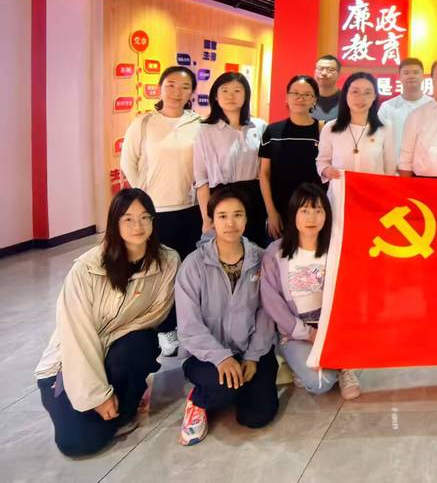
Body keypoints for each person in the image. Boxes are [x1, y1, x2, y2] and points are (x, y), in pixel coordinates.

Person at [36, 189, 179, 457]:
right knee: (77, 442)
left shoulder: (168, 261)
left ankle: (126, 400)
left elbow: (156, 314)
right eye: (128, 219)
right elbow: (76, 334)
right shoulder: (86, 268)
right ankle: (103, 404)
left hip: (118, 350)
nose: (138, 226)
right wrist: (97, 395)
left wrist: (114, 340)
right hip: (67, 361)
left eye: (145, 217)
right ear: (115, 223)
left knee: (140, 343)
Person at [176, 187, 278, 446]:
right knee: (224, 388)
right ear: (212, 220)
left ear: (246, 218)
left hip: (250, 351)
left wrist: (253, 356)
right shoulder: (193, 265)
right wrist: (221, 358)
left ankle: (237, 389)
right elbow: (188, 326)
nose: (230, 223)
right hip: (205, 356)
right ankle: (198, 401)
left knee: (257, 416)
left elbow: (267, 312)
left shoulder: (261, 259)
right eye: (222, 216)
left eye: (237, 215)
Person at [120, 64, 201, 355]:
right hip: (155, 213)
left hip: (190, 209)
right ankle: (164, 329)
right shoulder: (143, 123)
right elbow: (128, 162)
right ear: (160, 88)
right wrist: (144, 197)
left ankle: (186, 324)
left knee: (187, 272)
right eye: (171, 85)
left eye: (185, 87)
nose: (177, 92)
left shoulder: (198, 123)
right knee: (157, 272)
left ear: (192, 93)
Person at [260, 184, 361, 400]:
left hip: (333, 328)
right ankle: (324, 364)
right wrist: (309, 334)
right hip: (295, 332)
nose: (311, 217)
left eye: (318, 210)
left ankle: (343, 367)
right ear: (293, 214)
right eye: (304, 210)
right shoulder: (275, 253)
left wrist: (330, 332)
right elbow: (272, 303)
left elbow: (350, 294)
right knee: (320, 383)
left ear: (327, 215)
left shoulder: (336, 249)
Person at [193, 72, 269, 247]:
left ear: (246, 95)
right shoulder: (204, 130)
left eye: (237, 91)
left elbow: (266, 173)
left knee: (254, 250)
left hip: (254, 200)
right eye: (225, 90)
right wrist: (207, 219)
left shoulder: (260, 127)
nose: (230, 96)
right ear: (215, 96)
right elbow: (201, 179)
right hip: (220, 200)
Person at [259, 75, 324, 242]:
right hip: (281, 213)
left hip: (314, 213)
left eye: (307, 94)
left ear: (314, 100)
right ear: (287, 97)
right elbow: (264, 174)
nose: (300, 98)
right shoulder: (272, 131)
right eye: (295, 93)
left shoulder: (324, 130)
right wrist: (271, 212)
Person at [317, 72, 396, 185]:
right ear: (345, 94)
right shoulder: (330, 128)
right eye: (355, 92)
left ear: (374, 96)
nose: (361, 98)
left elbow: (390, 166)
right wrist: (326, 170)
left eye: (367, 93)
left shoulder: (385, 127)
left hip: (373, 191)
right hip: (341, 192)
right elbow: (322, 161)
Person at [377, 57, 432, 163]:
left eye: (415, 72)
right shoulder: (387, 107)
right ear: (399, 77)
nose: (411, 76)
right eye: (406, 73)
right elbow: (378, 138)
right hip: (395, 167)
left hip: (426, 167)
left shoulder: (433, 106)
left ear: (422, 76)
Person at [309, 55, 342, 121]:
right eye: (320, 69)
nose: (324, 73)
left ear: (339, 74)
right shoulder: (305, 99)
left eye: (330, 70)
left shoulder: (347, 101)